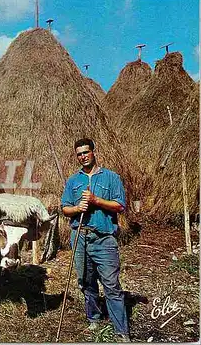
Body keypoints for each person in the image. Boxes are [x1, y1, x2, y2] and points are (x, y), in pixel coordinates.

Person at [61, 138, 130, 343]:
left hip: (104, 239)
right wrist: (77, 208)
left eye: (86, 152)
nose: (83, 156)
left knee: (111, 284)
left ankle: (121, 331)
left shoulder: (111, 177)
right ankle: (94, 317)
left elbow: (120, 205)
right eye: (79, 154)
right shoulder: (73, 181)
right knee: (85, 281)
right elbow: (65, 208)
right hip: (80, 236)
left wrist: (96, 201)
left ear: (93, 152)